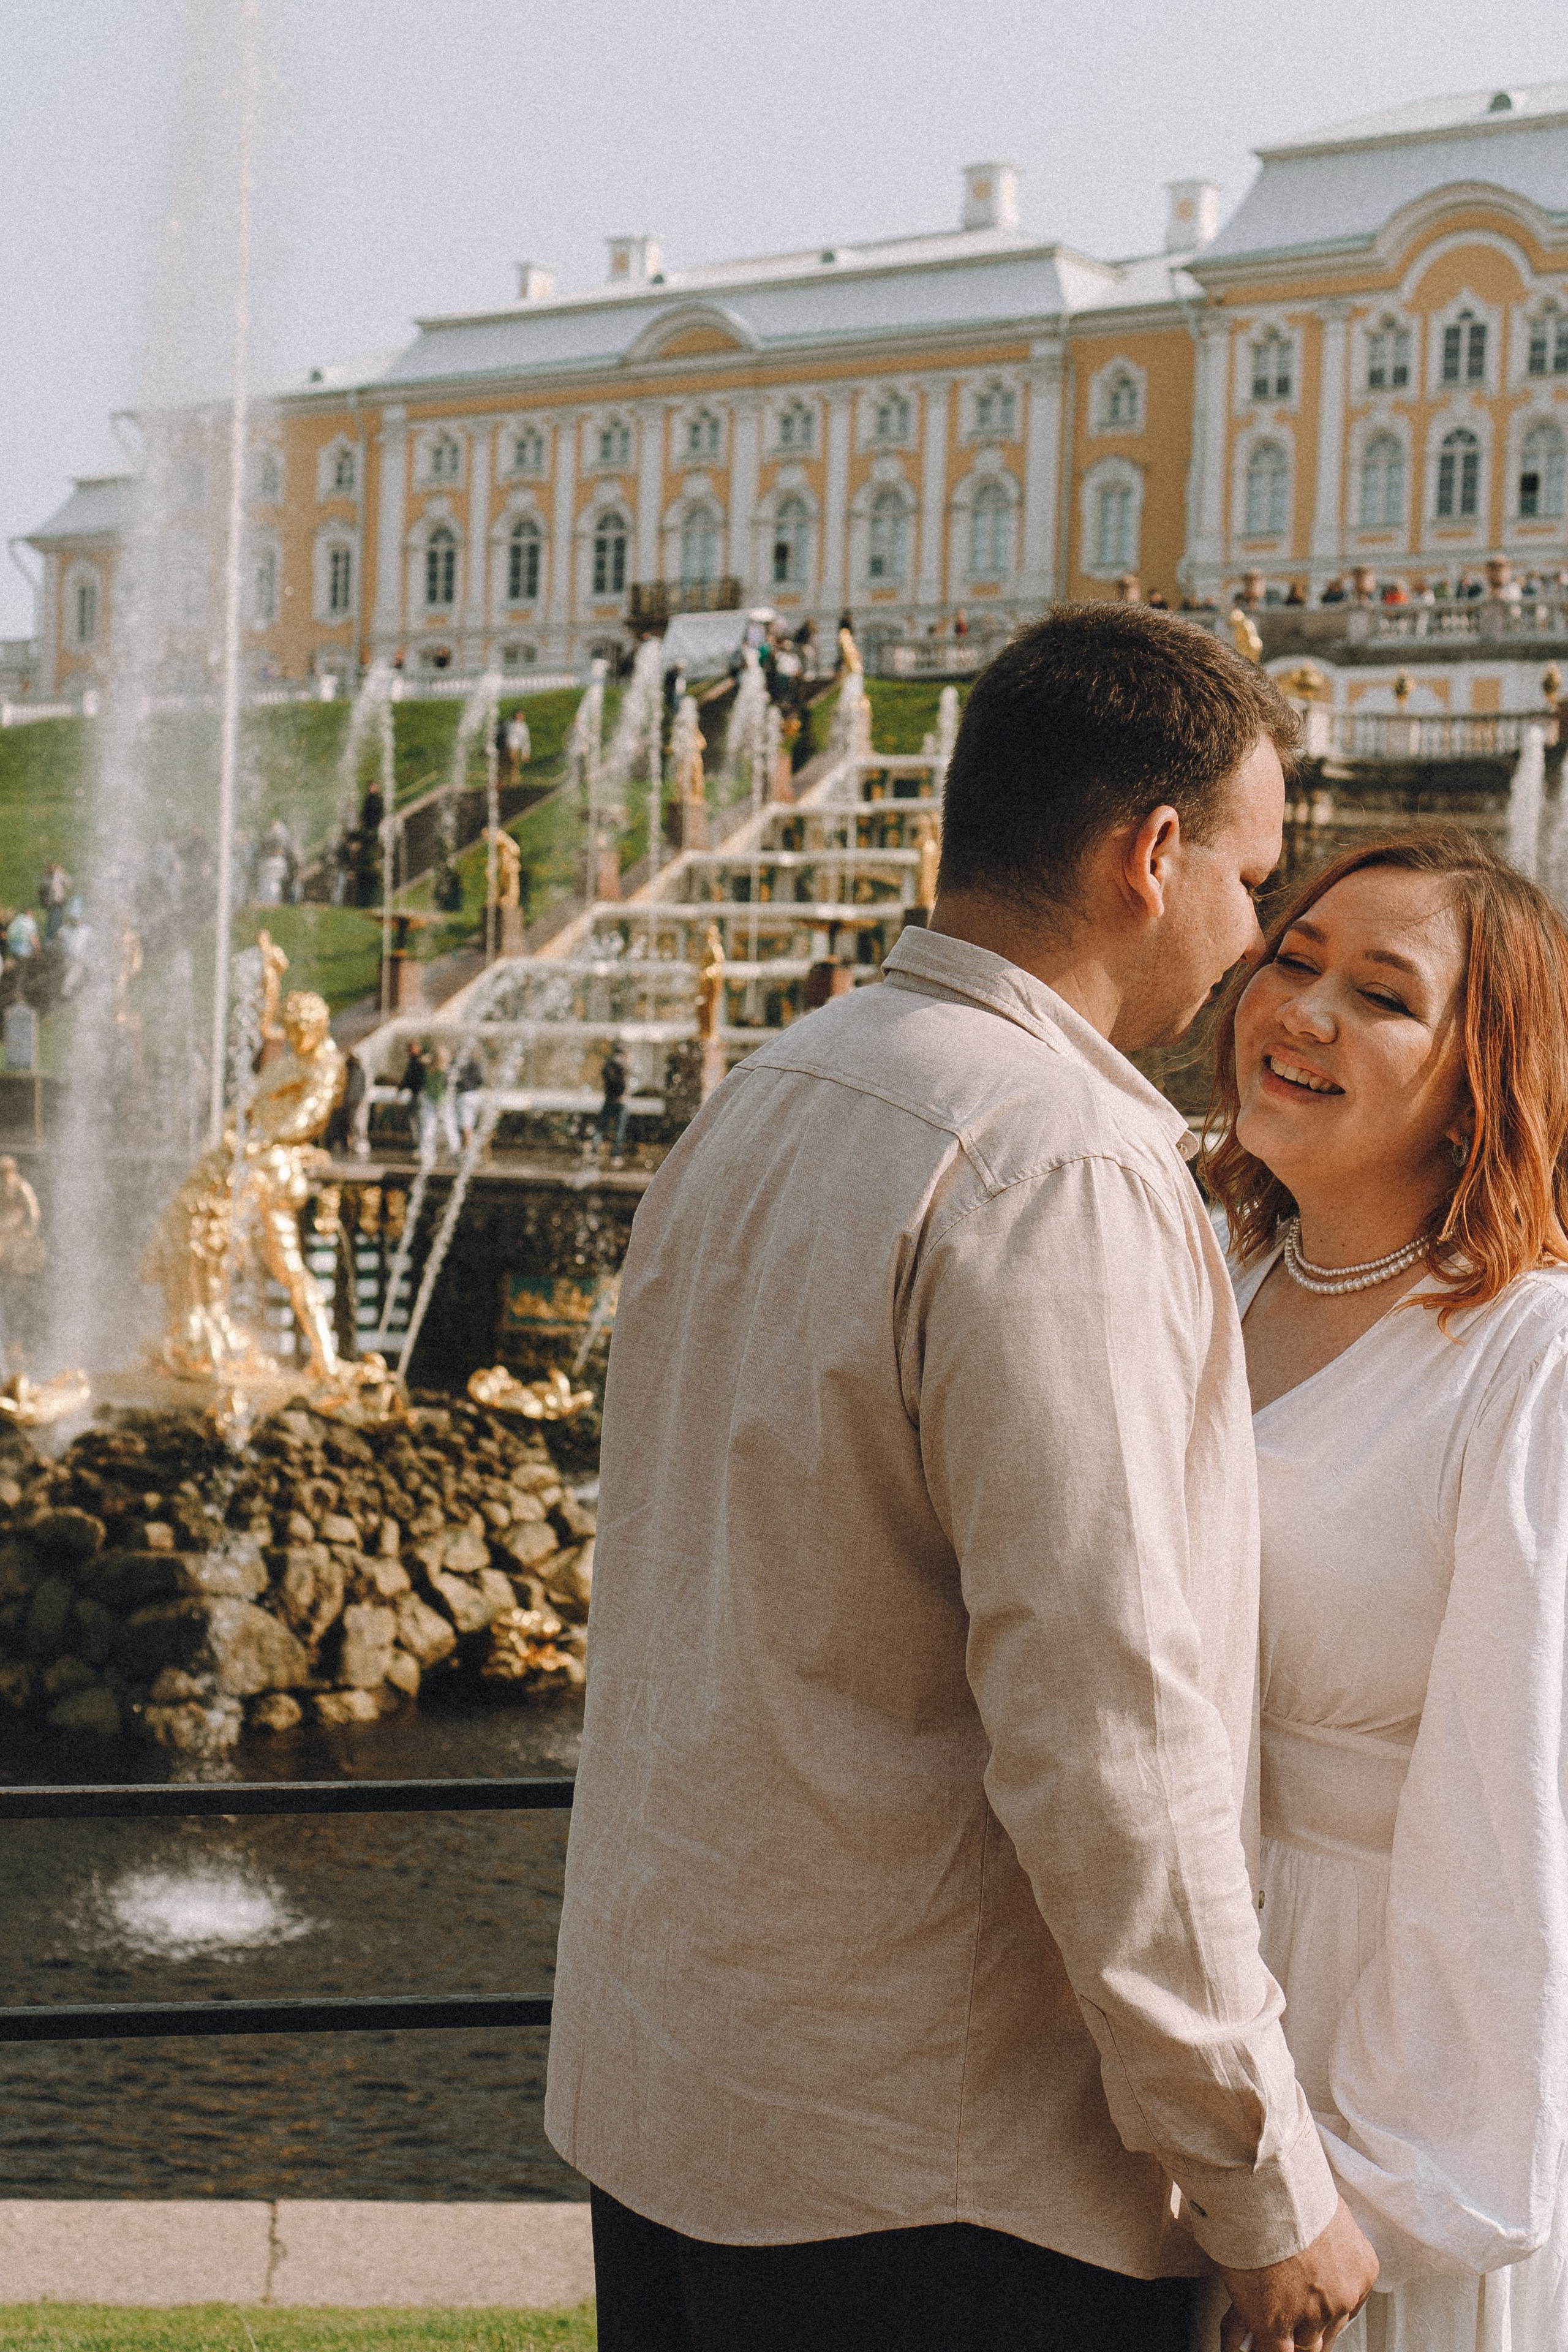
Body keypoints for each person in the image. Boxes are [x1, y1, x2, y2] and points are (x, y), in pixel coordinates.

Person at [546, 606, 1378, 2352]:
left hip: (678, 2112)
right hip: (940, 2185)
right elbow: (1111, 1726)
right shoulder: (1062, 1162)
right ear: (1151, 858)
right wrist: (1260, 2177)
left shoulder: (771, 1088)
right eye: (1252, 881)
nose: (1253, 943)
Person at [1199, 831, 1568, 2350]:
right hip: (1180, 2014)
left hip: (1378, 2032)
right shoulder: (1197, 1265)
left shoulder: (1521, 1361)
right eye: (1292, 957)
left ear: (1476, 1079)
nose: (1302, 1011)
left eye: (1380, 995)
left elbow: (1510, 1815)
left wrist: (1365, 2188)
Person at [413, 1046, 459, 1166]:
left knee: (449, 1127)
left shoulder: (447, 1071)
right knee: (429, 1127)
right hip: (430, 1100)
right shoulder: (430, 1067)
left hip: (444, 1102)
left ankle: (455, 1153)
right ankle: (427, 1154)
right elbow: (422, 1061)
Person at [590, 1043, 630, 1163]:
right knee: (619, 1129)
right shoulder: (623, 1063)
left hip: (609, 1099)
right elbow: (625, 1080)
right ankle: (615, 1155)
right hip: (620, 1100)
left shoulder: (608, 1064)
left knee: (601, 1127)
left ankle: (594, 1151)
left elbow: (604, 1077)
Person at [454, 1048, 485, 1148]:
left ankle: (466, 1150)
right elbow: (480, 1080)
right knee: (470, 1124)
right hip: (475, 1095)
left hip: (464, 1096)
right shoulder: (475, 1063)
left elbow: (456, 1081)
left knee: (465, 1125)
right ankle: (468, 1149)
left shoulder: (460, 1064)